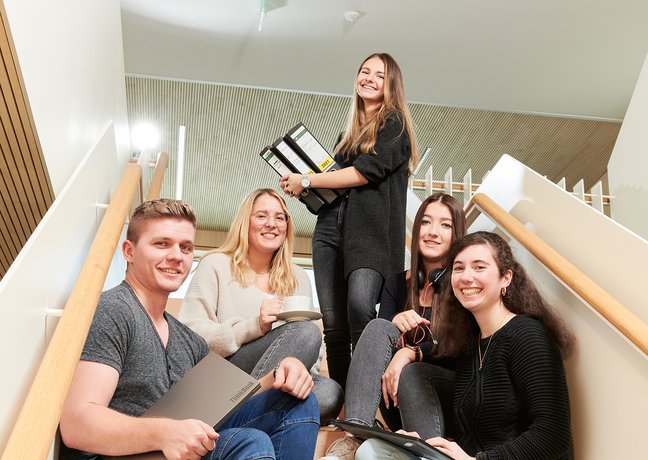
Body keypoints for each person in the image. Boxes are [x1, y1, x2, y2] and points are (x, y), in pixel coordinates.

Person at [59, 198, 319, 460]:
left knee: (300, 401)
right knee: (247, 441)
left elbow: (227, 401)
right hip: (126, 453)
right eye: (161, 244)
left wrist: (279, 373)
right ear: (129, 251)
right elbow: (77, 425)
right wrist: (163, 433)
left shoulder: (188, 340)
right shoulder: (113, 311)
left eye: (185, 247)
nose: (175, 256)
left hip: (179, 446)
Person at [354, 231, 575, 460]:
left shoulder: (528, 335)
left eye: (479, 267)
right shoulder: (470, 344)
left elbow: (553, 435)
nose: (466, 277)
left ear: (506, 278)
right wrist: (414, 444)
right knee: (371, 451)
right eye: (459, 268)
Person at [281, 52, 418, 390]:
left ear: (391, 85)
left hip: (369, 235)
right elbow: (337, 188)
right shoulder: (348, 136)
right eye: (364, 71)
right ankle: (342, 402)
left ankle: (363, 399)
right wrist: (307, 191)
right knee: (333, 324)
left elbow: (363, 174)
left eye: (378, 74)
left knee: (360, 309)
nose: (368, 78)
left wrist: (309, 180)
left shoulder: (394, 124)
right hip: (329, 230)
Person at [322, 193, 465, 458]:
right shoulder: (397, 283)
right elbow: (378, 349)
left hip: (447, 397)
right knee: (379, 326)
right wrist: (395, 324)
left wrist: (408, 353)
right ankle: (355, 434)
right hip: (398, 396)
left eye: (445, 225)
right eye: (426, 222)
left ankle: (426, 452)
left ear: (457, 234)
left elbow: (461, 350)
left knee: (412, 372)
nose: (433, 232)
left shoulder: (463, 284)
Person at [179, 188, 343, 419]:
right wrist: (253, 326)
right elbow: (190, 337)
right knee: (305, 332)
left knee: (330, 393)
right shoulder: (215, 264)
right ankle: (236, 410)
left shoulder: (298, 277)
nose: (272, 224)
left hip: (278, 379)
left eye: (279, 217)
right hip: (223, 377)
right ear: (245, 222)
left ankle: (246, 413)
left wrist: (304, 374)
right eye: (262, 216)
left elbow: (307, 352)